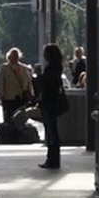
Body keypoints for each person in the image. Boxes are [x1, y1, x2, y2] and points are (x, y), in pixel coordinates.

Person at [35, 41, 68, 170]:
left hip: (48, 103)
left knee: (51, 132)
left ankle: (52, 159)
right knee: (52, 131)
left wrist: (39, 76)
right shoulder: (58, 67)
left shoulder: (50, 68)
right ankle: (54, 159)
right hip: (53, 102)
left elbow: (46, 85)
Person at [0, 46, 33, 129]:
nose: (15, 57)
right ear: (9, 56)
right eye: (13, 55)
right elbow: (1, 82)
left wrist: (30, 93)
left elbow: (28, 81)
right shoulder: (4, 68)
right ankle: (9, 130)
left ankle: (19, 130)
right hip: (8, 96)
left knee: (20, 114)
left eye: (16, 55)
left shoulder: (24, 68)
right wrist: (1, 94)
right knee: (8, 114)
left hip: (21, 96)